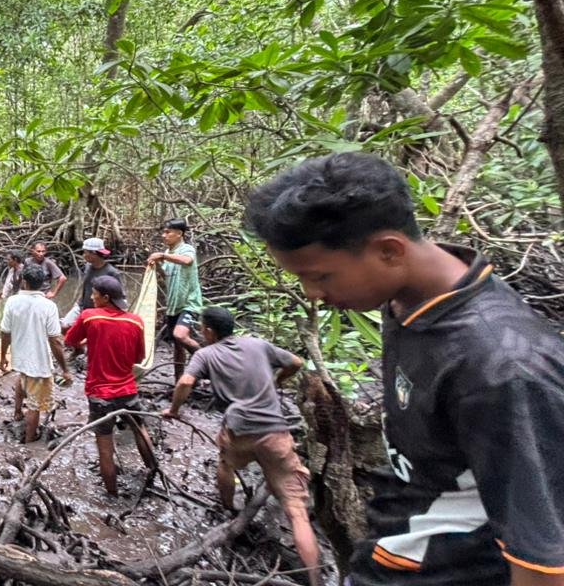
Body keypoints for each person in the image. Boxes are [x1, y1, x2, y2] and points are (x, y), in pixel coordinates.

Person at [244, 152, 564, 586]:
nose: (312, 293)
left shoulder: (503, 367)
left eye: (320, 276)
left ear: (390, 251)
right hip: (392, 557)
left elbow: (543, 563)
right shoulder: (405, 303)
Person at [162, 307, 319, 585]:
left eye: (202, 328)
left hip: (238, 431)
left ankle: (228, 509)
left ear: (209, 331)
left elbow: (186, 381)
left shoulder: (204, 354)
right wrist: (275, 381)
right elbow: (296, 362)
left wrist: (174, 410)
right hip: (275, 432)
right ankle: (315, 578)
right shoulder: (257, 343)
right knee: (296, 511)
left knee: (226, 464)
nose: (200, 331)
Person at [63, 275, 149, 495]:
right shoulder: (136, 321)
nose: (91, 298)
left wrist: (90, 340)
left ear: (106, 297)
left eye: (94, 294)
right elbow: (139, 359)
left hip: (100, 394)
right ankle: (153, 471)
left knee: (105, 447)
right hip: (128, 390)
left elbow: (70, 341)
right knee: (140, 431)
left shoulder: (90, 317)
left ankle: (112, 495)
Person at [0, 264, 72, 442]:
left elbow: (5, 332)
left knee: (22, 379)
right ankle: (30, 441)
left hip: (20, 358)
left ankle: (17, 412)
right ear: (43, 283)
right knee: (35, 406)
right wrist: (65, 369)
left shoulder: (12, 301)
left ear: (23, 282)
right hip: (39, 363)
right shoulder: (48, 306)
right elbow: (55, 340)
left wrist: (3, 356)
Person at [147, 218, 204, 379]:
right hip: (173, 306)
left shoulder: (187, 249)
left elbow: (187, 261)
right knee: (178, 347)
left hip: (189, 303)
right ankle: (179, 379)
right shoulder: (168, 253)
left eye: (168, 232)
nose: (164, 236)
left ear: (179, 234)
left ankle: (208, 360)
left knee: (180, 335)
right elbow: (165, 274)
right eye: (163, 232)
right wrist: (155, 264)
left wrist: (162, 256)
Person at [61, 237, 126, 330]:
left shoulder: (112, 272)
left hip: (99, 311)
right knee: (65, 325)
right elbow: (86, 286)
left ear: (94, 254)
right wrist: (78, 301)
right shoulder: (88, 267)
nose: (83, 255)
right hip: (82, 306)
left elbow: (121, 296)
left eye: (85, 252)